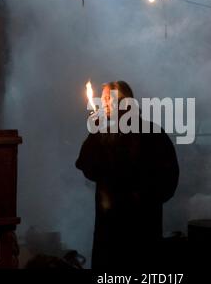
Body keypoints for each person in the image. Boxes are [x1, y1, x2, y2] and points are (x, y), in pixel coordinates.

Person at [76, 81, 179, 270]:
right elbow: (85, 165)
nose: (103, 103)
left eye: (108, 98)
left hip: (140, 224)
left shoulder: (151, 133)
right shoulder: (104, 133)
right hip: (110, 228)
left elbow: (168, 176)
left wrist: (141, 197)